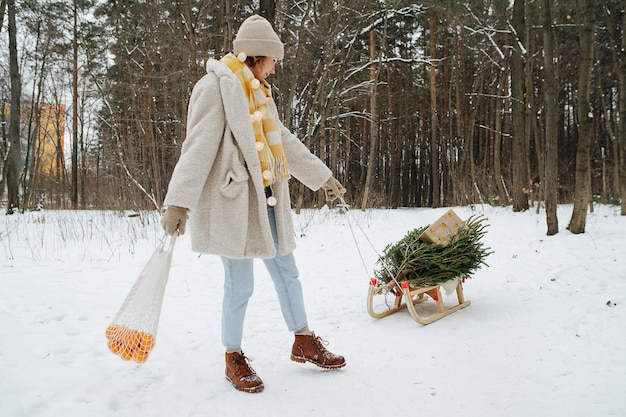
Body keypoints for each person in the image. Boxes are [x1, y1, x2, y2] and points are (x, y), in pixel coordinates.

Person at [160, 14, 347, 394]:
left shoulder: (260, 91)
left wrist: (322, 177)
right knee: (240, 283)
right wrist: (178, 203)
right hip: (235, 201)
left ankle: (303, 339)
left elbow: (284, 140)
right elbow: (197, 146)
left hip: (269, 199)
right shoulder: (215, 89)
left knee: (287, 271)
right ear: (257, 56)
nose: (275, 68)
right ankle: (233, 356)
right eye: (273, 60)